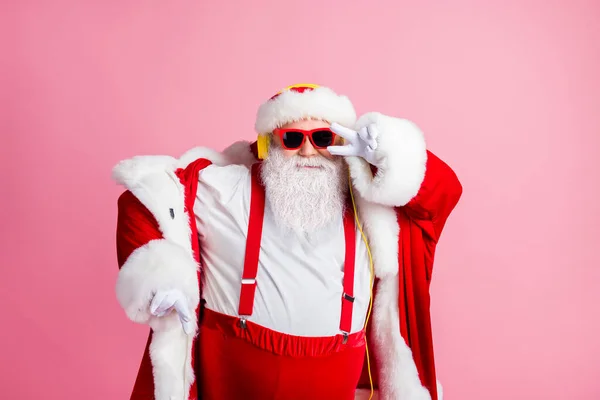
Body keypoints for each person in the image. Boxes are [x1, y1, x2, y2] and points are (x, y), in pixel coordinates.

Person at [112, 83, 462, 400]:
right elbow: (147, 194)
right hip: (233, 370)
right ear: (269, 144)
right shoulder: (227, 188)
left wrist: (388, 154)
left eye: (322, 138)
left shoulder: (371, 203)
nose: (308, 151)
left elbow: (442, 195)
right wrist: (161, 276)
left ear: (341, 142)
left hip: (335, 375)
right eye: (293, 139)